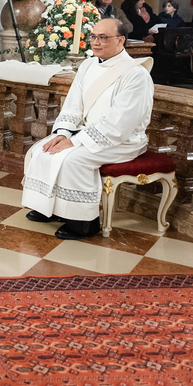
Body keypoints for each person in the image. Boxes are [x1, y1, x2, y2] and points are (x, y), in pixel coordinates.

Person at [21, 18, 154, 240]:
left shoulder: (135, 74)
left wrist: (75, 141)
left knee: (73, 159)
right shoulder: (88, 65)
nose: (96, 42)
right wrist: (63, 133)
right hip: (87, 131)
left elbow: (120, 122)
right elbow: (73, 104)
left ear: (121, 40)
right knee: (41, 149)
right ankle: (50, 208)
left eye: (103, 37)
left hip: (123, 140)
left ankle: (84, 223)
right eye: (93, 37)